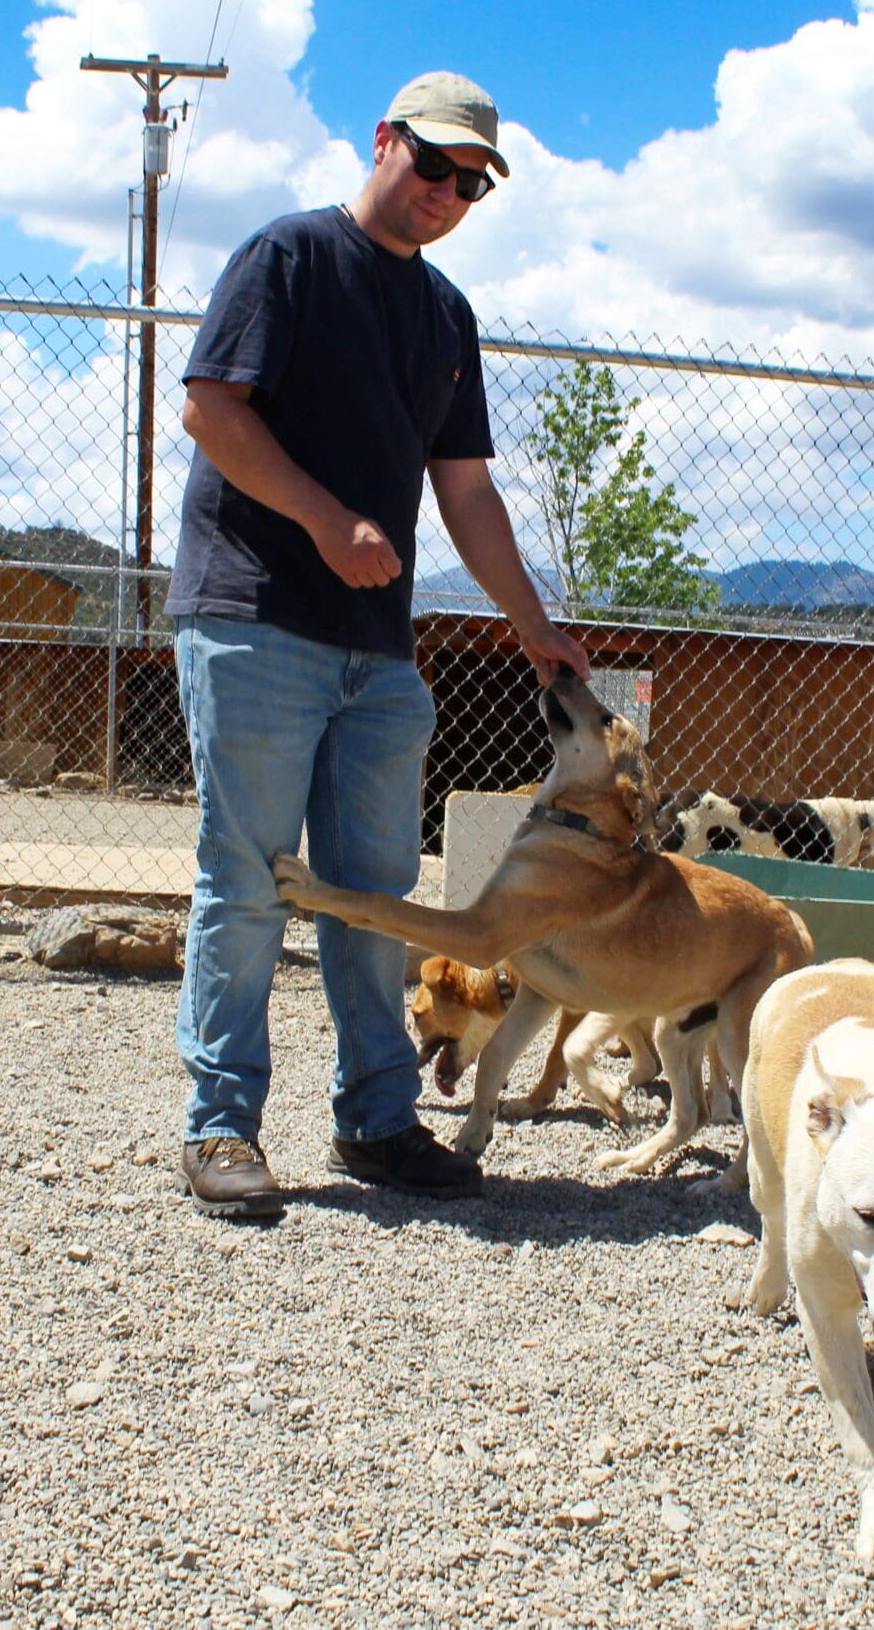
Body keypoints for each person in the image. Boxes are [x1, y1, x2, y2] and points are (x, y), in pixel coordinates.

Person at [166, 70, 593, 1220]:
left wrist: (530, 621)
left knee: (375, 893)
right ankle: (221, 1127)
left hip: (377, 647)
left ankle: (377, 1119)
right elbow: (211, 407)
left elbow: (465, 491)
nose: (450, 193)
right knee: (249, 881)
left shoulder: (444, 316)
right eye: (436, 165)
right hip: (253, 617)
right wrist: (323, 517)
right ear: (383, 142)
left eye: (472, 182)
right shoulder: (287, 259)